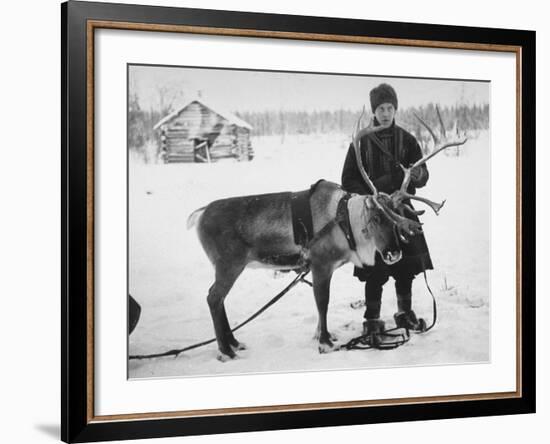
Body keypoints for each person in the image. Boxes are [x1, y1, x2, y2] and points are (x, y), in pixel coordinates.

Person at [341, 83, 433, 337]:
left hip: (403, 212)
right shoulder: (360, 141)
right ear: (374, 110)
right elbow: (347, 180)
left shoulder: (407, 139)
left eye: (390, 108)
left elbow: (423, 175)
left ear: (395, 109)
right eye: (381, 108)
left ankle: (405, 313)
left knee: (407, 269)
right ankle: (372, 320)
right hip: (373, 215)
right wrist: (374, 191)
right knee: (375, 271)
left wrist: (417, 175)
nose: (385, 113)